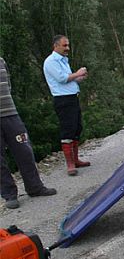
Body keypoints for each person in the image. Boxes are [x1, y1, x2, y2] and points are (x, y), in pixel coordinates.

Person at [1, 58, 57, 209]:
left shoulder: (1, 61)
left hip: (11, 113)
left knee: (25, 151)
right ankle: (9, 195)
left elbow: (8, 85)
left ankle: (35, 187)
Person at [43, 35, 91, 176]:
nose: (67, 48)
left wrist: (78, 78)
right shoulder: (51, 61)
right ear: (55, 46)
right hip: (63, 100)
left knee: (77, 128)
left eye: (68, 45)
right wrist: (77, 73)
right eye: (64, 46)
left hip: (72, 98)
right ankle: (70, 164)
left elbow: (68, 79)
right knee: (67, 130)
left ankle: (75, 160)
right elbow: (62, 78)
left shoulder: (63, 60)